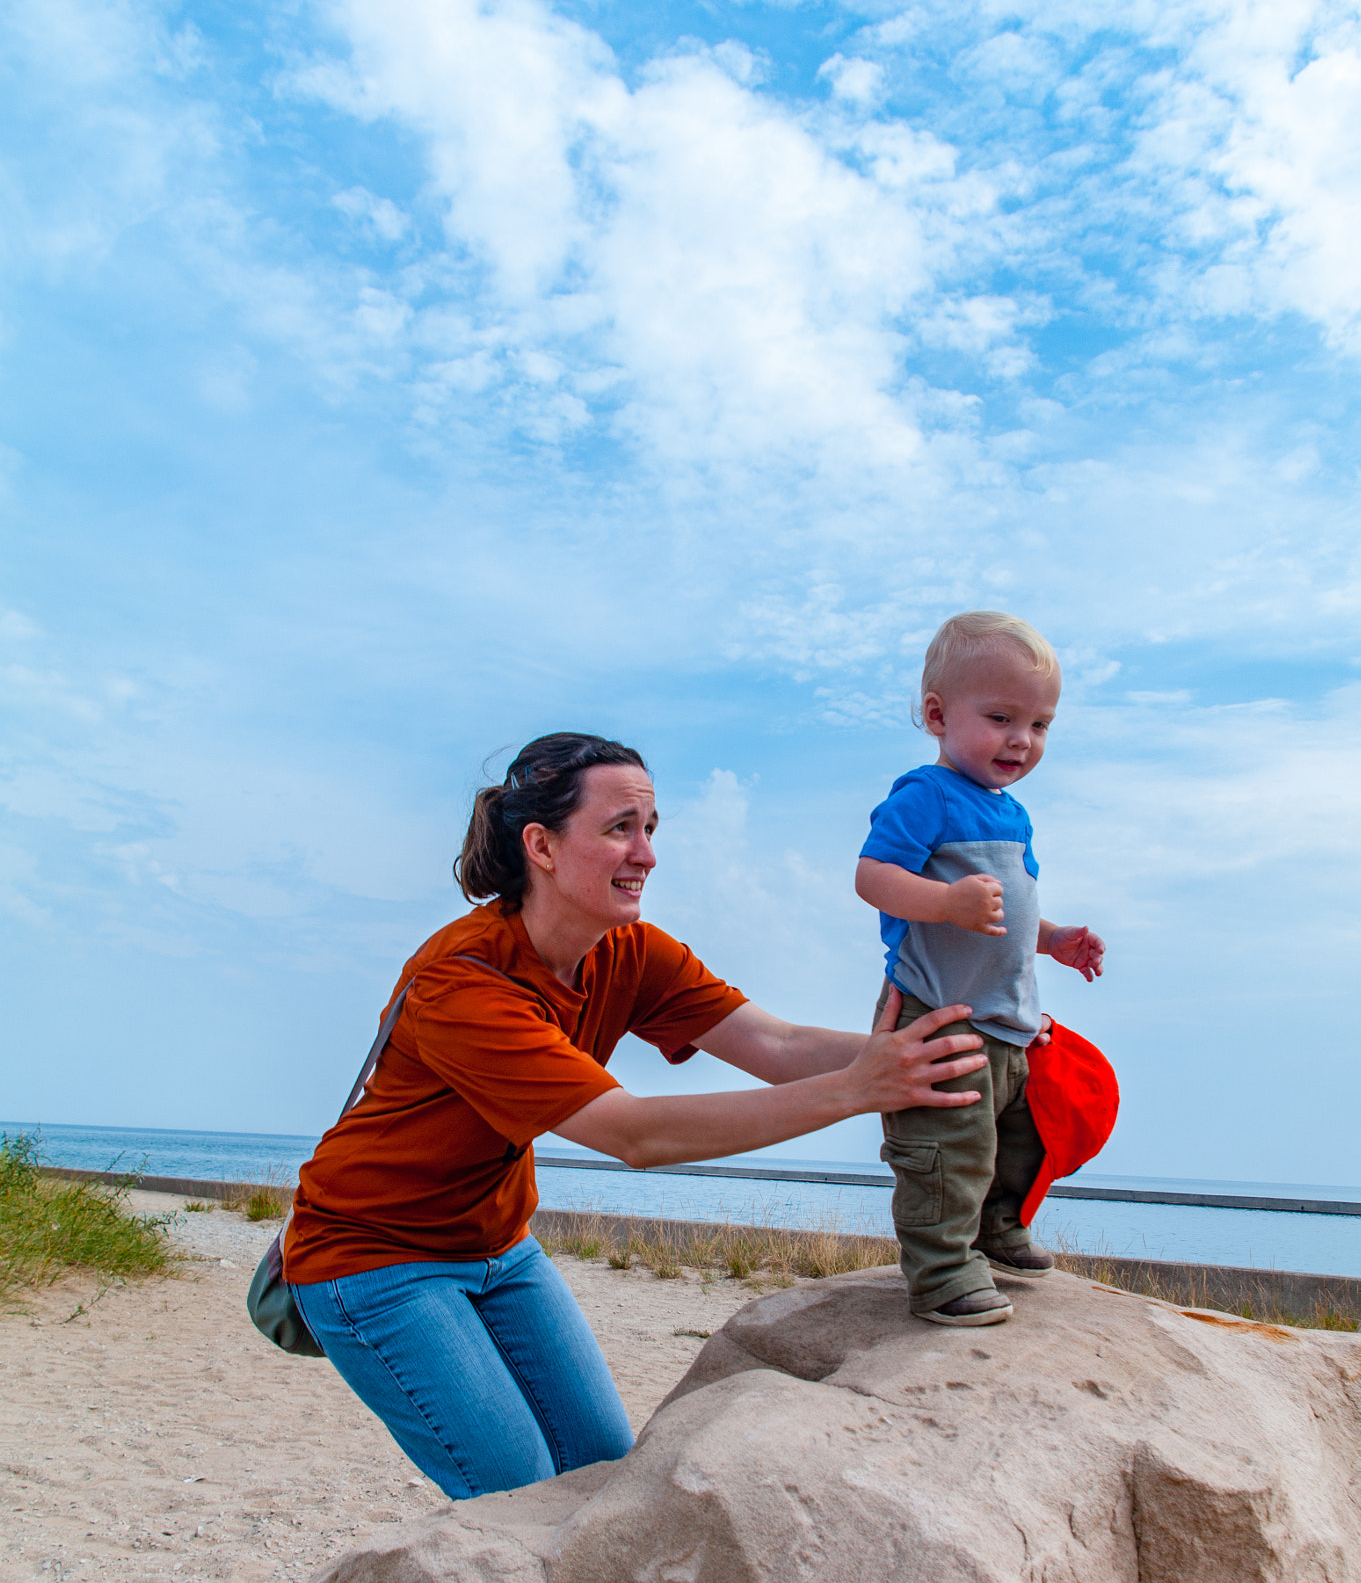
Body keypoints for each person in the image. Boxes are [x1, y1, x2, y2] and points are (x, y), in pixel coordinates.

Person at [285, 731, 991, 1500]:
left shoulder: (628, 950)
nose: (646, 854)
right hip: (373, 1259)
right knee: (516, 1499)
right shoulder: (462, 983)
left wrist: (944, 1050)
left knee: (603, 1480)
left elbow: (777, 1044)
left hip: (499, 1247)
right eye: (620, 827)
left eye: (650, 830)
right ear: (541, 846)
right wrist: (860, 1089)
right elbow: (634, 1134)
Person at [855, 612, 1106, 1330]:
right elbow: (872, 877)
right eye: (1000, 717)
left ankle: (995, 1230)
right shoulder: (923, 795)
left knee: (1019, 1133)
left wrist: (1052, 938)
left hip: (1006, 1015)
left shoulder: (1011, 813)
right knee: (946, 1145)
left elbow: (1010, 912)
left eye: (1039, 724)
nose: (1021, 740)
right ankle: (940, 1273)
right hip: (938, 1009)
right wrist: (945, 901)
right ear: (936, 714)